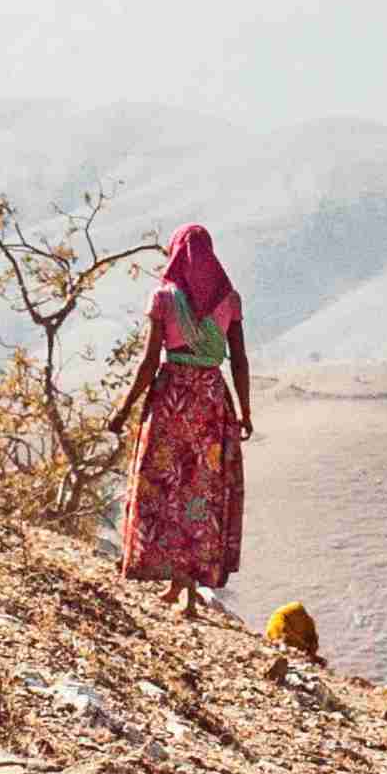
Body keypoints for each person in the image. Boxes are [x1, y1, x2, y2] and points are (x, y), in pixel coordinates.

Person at [109, 224, 250, 611]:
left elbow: (149, 362)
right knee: (201, 492)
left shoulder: (164, 299)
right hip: (211, 404)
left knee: (167, 488)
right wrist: (244, 409)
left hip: (172, 400)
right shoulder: (229, 301)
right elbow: (238, 360)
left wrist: (123, 409)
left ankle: (180, 583)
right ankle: (182, 587)